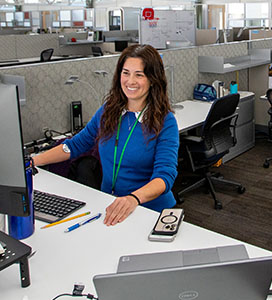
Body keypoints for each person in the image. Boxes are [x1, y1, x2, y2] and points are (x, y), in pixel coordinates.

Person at [33, 44, 179, 226]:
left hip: (150, 212)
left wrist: (133, 198)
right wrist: (33, 161)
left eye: (139, 75)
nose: (130, 81)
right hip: (110, 206)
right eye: (125, 73)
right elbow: (75, 145)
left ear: (153, 79)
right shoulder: (108, 112)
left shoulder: (165, 121)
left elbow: (164, 176)